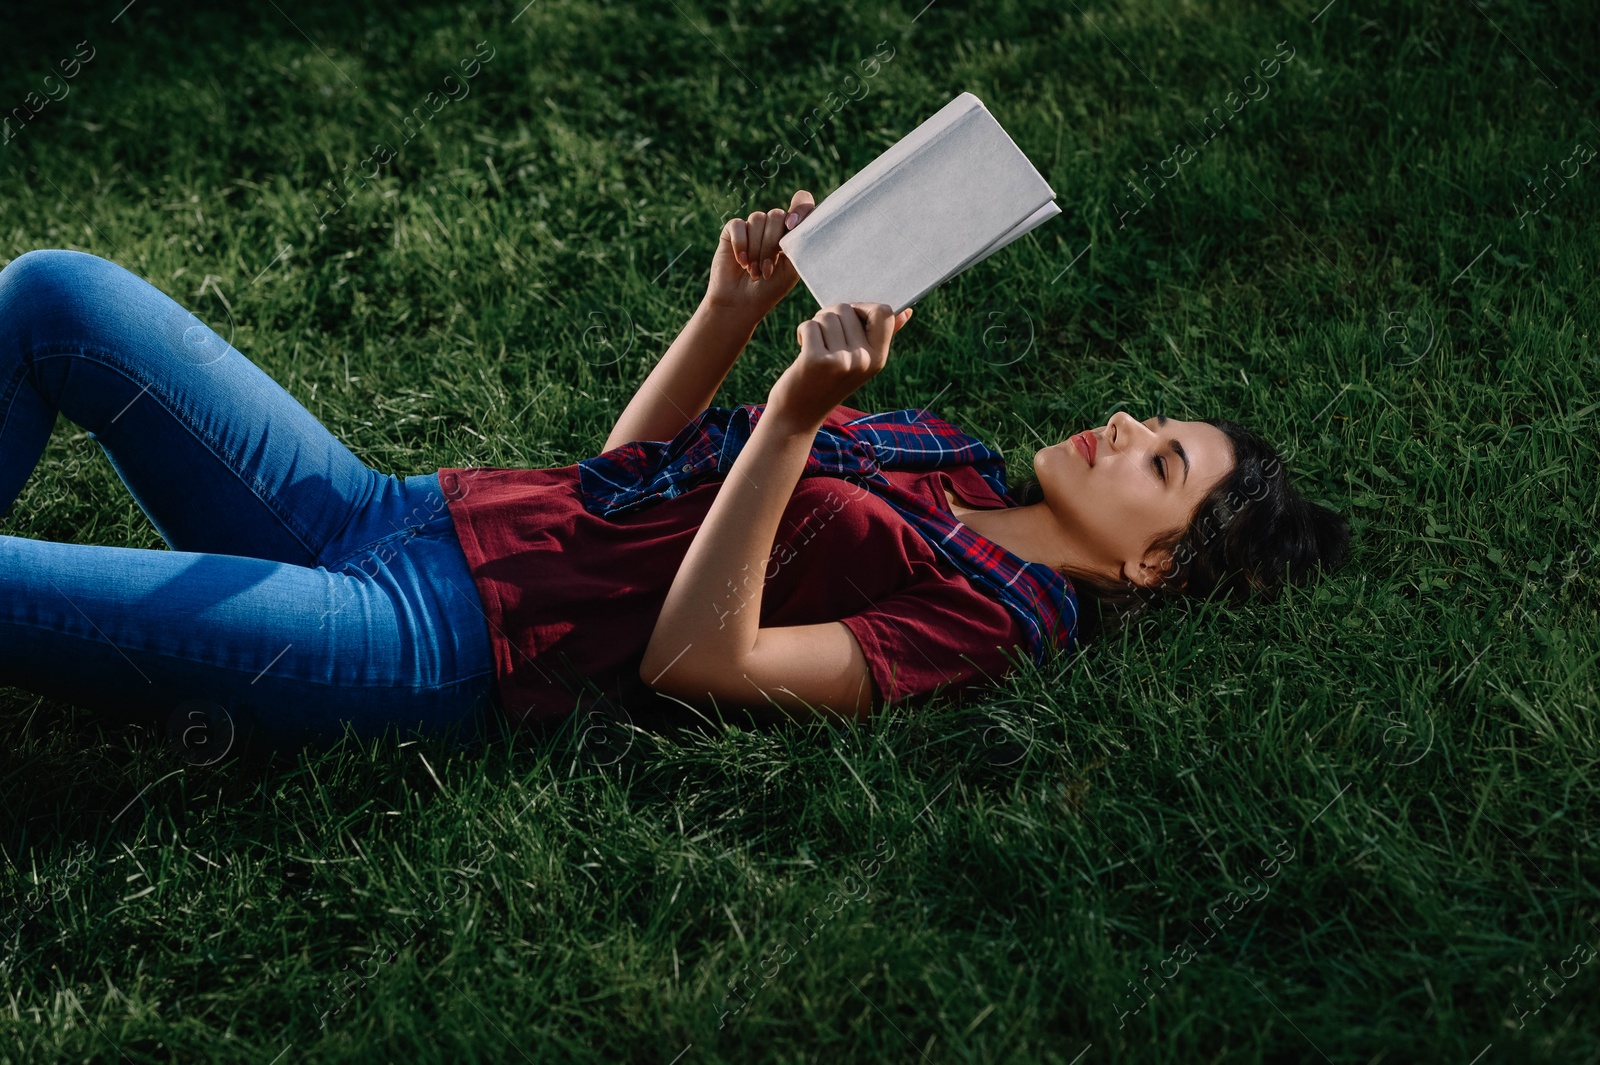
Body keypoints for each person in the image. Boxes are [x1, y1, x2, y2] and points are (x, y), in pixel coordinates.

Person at [0, 190, 1348, 754]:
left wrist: (795, 420)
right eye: (1151, 418)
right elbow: (623, 487)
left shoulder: (996, 621)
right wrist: (732, 312)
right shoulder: (945, 453)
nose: (1123, 424)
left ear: (1147, 562)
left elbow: (698, 662)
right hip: (399, 512)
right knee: (56, 295)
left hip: (433, 640)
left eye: (1160, 461)